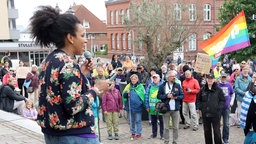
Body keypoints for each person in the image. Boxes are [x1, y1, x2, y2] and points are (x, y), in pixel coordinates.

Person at [29, 6, 110, 144]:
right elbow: (73, 105)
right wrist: (96, 90)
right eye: (83, 35)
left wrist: (81, 74)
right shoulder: (68, 65)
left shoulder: (48, 61)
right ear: (70, 38)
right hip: (74, 135)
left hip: (52, 134)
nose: (85, 40)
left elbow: (58, 90)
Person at [197, 74, 226, 144]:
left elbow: (222, 100)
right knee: (207, 131)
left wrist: (219, 108)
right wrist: (201, 107)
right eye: (208, 78)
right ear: (206, 79)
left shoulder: (218, 89)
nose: (210, 80)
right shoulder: (202, 89)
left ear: (214, 79)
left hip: (215, 114)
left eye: (211, 78)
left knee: (217, 132)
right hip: (205, 114)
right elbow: (198, 100)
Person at [157, 71, 184, 144]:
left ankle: (175, 141)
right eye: (172, 76)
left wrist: (176, 97)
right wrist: (166, 96)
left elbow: (182, 96)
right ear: (168, 77)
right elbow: (158, 96)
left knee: (176, 127)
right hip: (166, 109)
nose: (174, 77)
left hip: (175, 109)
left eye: (174, 76)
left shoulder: (177, 85)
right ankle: (166, 141)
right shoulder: (162, 86)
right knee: (166, 127)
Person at [122, 74, 145, 140]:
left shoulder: (140, 86)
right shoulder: (128, 86)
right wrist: (127, 93)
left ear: (137, 79)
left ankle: (138, 133)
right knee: (131, 121)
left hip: (138, 107)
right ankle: (133, 132)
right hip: (130, 106)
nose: (133, 80)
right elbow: (124, 96)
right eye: (132, 79)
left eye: (135, 79)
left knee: (138, 120)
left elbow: (143, 95)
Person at [217, 73, 235, 144]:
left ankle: (225, 139)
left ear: (226, 78)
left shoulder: (229, 85)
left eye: (225, 77)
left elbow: (233, 94)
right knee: (217, 124)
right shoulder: (217, 85)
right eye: (222, 77)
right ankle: (218, 139)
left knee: (226, 124)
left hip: (226, 108)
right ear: (220, 78)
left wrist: (231, 103)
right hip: (218, 108)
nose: (223, 79)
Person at [145, 74, 164, 139]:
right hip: (152, 106)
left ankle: (162, 134)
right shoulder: (150, 86)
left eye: (156, 78)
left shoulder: (163, 85)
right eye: (154, 78)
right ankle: (154, 134)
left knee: (162, 121)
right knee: (153, 121)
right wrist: (147, 106)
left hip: (161, 106)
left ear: (159, 78)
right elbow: (146, 96)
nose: (155, 79)